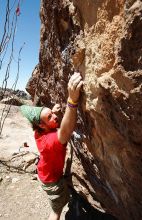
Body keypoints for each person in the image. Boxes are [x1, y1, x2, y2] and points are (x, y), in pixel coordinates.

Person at [20, 72, 83, 220]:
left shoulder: (38, 132)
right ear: (42, 124)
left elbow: (47, 122)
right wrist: (72, 99)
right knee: (55, 212)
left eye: (52, 114)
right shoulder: (51, 140)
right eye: (50, 117)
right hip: (51, 181)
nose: (55, 117)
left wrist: (50, 112)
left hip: (44, 174)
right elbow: (66, 131)